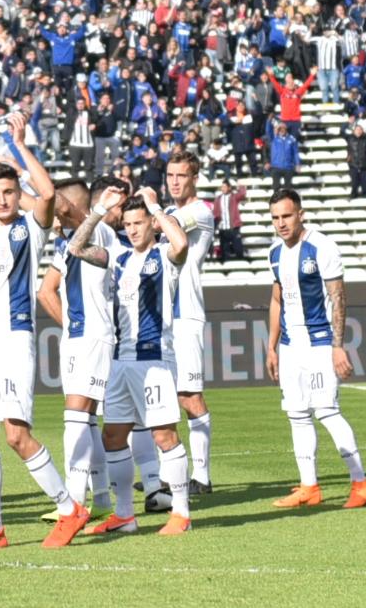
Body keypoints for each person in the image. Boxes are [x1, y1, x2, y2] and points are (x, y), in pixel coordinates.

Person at [0, 112, 88, 551]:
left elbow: (47, 194)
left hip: (14, 340)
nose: (3, 199)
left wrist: (19, 145)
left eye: (8, 192)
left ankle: (69, 508)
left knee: (15, 434)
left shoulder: (32, 226)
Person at [68, 184, 194, 536]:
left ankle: (181, 513)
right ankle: (125, 515)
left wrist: (156, 209)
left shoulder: (165, 257)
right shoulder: (119, 259)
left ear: (150, 224)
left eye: (139, 223)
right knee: (112, 436)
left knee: (164, 435)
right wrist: (98, 210)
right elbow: (75, 247)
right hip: (120, 363)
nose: (133, 230)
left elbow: (182, 244)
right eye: (128, 224)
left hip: (154, 361)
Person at [264, 188, 366, 509]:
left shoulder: (321, 246)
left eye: (286, 216)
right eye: (275, 218)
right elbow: (276, 299)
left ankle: (361, 483)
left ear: (301, 214)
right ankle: (309, 487)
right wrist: (271, 347)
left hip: (319, 342)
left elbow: (339, 297)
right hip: (289, 346)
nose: (281, 223)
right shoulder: (274, 252)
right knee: (297, 414)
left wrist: (338, 346)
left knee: (326, 410)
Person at [36, 176, 125, 525]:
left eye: (57, 203)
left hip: (95, 335)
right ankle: (100, 498)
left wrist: (99, 209)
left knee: (76, 416)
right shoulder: (64, 242)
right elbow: (46, 292)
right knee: (85, 419)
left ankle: (72, 503)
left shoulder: (101, 232)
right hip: (76, 337)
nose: (52, 209)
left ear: (71, 204)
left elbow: (81, 240)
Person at [156, 151, 217, 498]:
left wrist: (150, 208)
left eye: (181, 175)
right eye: (170, 175)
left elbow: (160, 226)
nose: (174, 181)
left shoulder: (200, 211)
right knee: (164, 395)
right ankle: (168, 475)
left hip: (187, 315)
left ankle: (203, 477)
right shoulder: (168, 214)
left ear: (194, 179)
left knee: (189, 395)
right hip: (164, 316)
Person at [212, 180, 246, 262]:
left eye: (224, 187)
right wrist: (215, 225)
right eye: (222, 187)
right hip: (223, 228)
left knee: (238, 248)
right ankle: (226, 267)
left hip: (234, 227)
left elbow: (242, 194)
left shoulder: (234, 197)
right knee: (224, 250)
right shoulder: (218, 199)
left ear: (229, 187)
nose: (222, 188)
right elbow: (215, 213)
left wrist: (241, 186)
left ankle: (241, 264)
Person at [345, 123, 366, 198]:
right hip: (353, 165)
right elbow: (341, 131)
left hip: (364, 165)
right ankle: (353, 197)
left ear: (362, 131)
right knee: (354, 184)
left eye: (360, 130)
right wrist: (347, 123)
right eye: (357, 130)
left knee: (365, 184)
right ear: (354, 131)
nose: (358, 131)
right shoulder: (349, 138)